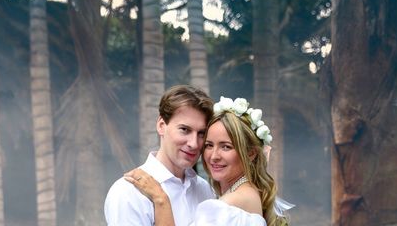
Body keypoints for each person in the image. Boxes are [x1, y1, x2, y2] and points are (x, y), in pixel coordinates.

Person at [125, 96, 291, 226]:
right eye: (209, 145)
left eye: (226, 147)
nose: (214, 156)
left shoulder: (227, 205)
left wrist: (161, 200)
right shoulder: (247, 195)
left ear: (251, 154)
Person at [104, 85, 215, 226]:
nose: (194, 144)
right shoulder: (127, 192)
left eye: (201, 133)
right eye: (184, 130)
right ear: (161, 125)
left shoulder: (204, 189)